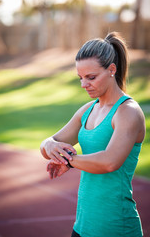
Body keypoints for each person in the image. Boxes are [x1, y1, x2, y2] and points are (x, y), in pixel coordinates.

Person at [40, 32, 145, 237]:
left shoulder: (128, 112)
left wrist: (69, 160)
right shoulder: (88, 110)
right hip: (82, 227)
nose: (83, 84)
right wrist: (49, 145)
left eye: (91, 77)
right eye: (80, 78)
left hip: (116, 228)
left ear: (112, 70)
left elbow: (109, 162)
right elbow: (49, 142)